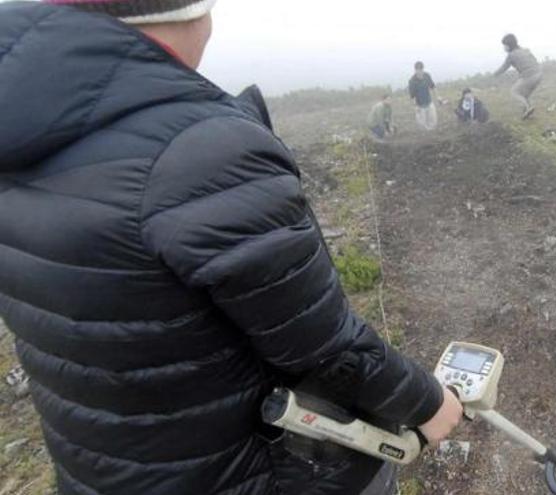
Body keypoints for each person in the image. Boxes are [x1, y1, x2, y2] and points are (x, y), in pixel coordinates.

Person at [0, 2, 463, 495]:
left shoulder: (25, 129)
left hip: (101, 472)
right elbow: (320, 345)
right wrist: (428, 405)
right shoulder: (201, 150)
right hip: (254, 473)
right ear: (191, 12)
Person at [493, 34, 543, 119]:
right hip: (539, 74)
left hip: (529, 76)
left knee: (514, 92)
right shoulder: (525, 49)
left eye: (504, 46)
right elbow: (534, 60)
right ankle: (528, 113)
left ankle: (528, 107)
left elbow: (504, 68)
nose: (504, 48)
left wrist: (494, 75)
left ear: (508, 46)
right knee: (524, 95)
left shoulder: (511, 55)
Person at [408, 61, 439, 131]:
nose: (419, 72)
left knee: (433, 122)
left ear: (423, 69)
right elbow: (412, 96)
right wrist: (416, 106)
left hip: (429, 102)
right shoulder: (412, 81)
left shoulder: (427, 76)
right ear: (415, 70)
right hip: (420, 105)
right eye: (417, 70)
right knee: (422, 126)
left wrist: (437, 97)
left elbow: (433, 87)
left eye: (421, 70)